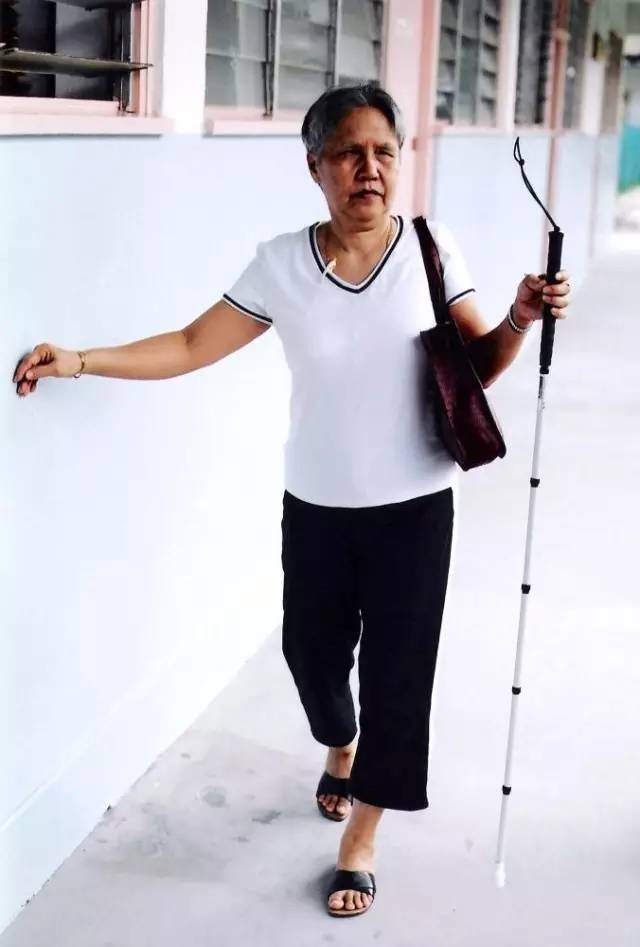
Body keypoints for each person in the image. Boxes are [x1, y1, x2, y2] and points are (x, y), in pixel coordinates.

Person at [13, 83, 571, 919]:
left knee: (399, 677)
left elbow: (476, 368)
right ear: (316, 167)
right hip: (316, 506)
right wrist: (83, 359)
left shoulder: (430, 250)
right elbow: (192, 343)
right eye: (349, 153)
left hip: (415, 508)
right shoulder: (281, 263)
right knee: (312, 656)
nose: (368, 168)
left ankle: (362, 838)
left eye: (383, 152)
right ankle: (339, 744)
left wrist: (521, 318)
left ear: (400, 162)